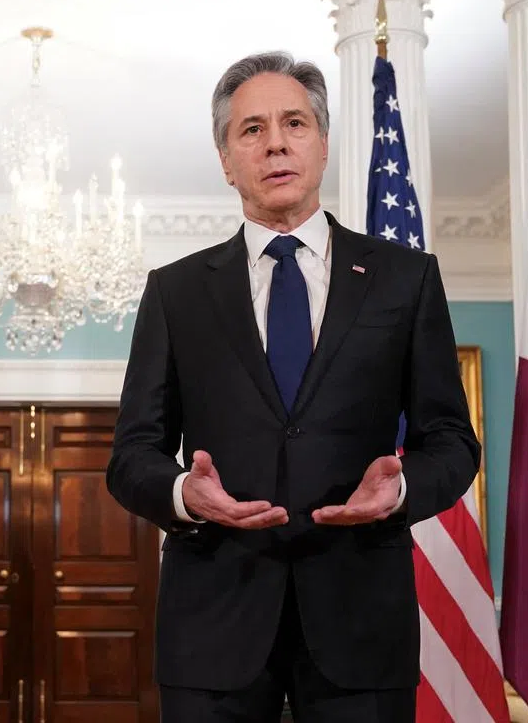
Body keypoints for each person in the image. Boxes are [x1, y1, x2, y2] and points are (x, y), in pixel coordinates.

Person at [106, 52, 480, 722]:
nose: (275, 141)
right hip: (213, 622)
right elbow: (133, 454)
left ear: (323, 143)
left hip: (361, 619)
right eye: (251, 129)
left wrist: (396, 489)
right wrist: (182, 493)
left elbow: (451, 440)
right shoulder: (176, 292)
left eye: (294, 122)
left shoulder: (404, 278)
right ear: (226, 158)